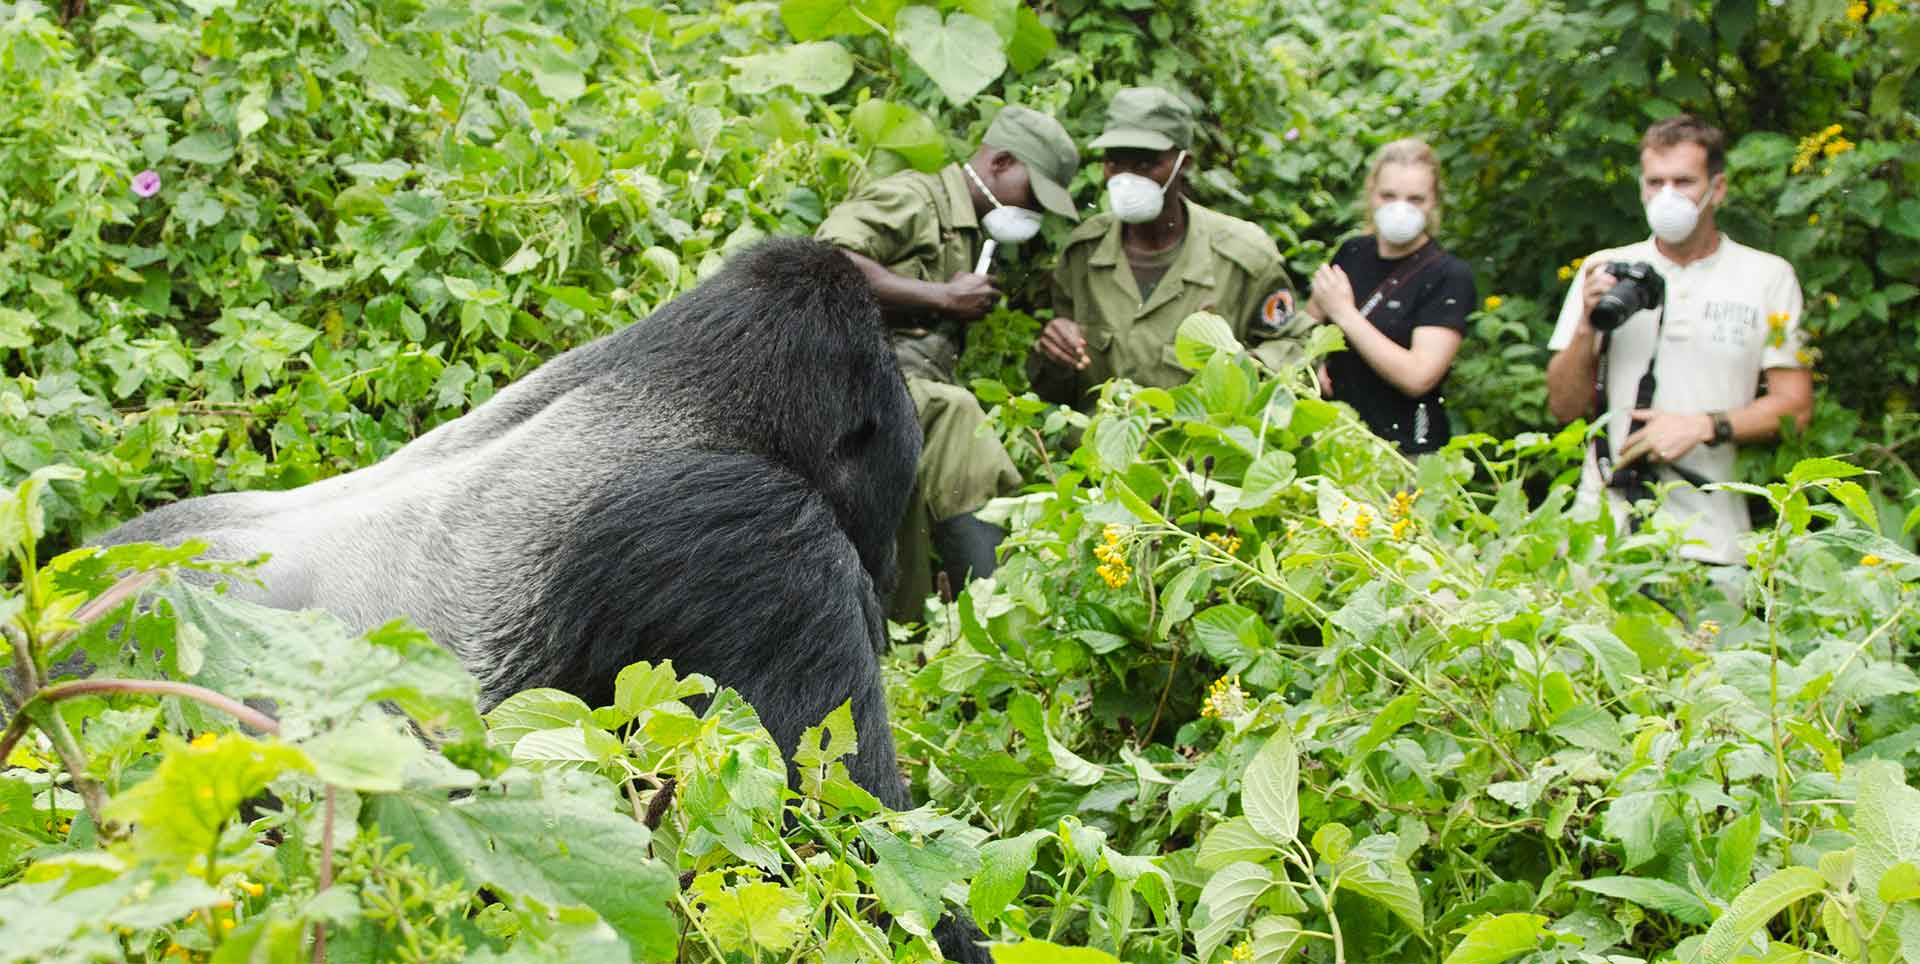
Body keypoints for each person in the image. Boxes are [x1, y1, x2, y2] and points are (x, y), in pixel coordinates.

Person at [816, 105, 1081, 617]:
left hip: (896, 397)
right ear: (1001, 162)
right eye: (1034, 194)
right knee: (958, 418)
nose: (1036, 213)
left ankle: (934, 633)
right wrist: (941, 297)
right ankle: (1001, 618)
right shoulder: (914, 198)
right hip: (852, 378)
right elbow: (824, 263)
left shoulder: (970, 232)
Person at [1545, 114, 1814, 567]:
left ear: (1718, 188)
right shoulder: (1606, 268)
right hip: (1603, 535)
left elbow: (1795, 408)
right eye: (1655, 182)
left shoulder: (1767, 277)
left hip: (1713, 540)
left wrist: (1702, 426)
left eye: (1684, 181)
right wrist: (1588, 326)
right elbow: (1564, 408)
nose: (1666, 196)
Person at [1031, 87, 1302, 405]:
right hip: (1098, 448)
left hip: (1201, 449)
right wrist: (1053, 353)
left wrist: (1244, 373)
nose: (1126, 178)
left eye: (1146, 165)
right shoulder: (1083, 253)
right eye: (1115, 163)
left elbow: (1294, 345)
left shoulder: (1243, 256)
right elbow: (1059, 391)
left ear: (1183, 164)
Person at [1305, 139, 1476, 455]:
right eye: (1388, 196)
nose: (1400, 209)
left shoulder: (1448, 276)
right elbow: (1307, 325)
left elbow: (1419, 375)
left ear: (1433, 202)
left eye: (1415, 199)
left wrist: (1345, 314)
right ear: (1371, 194)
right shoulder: (1352, 252)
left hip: (1404, 451)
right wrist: (1313, 364)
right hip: (1334, 438)